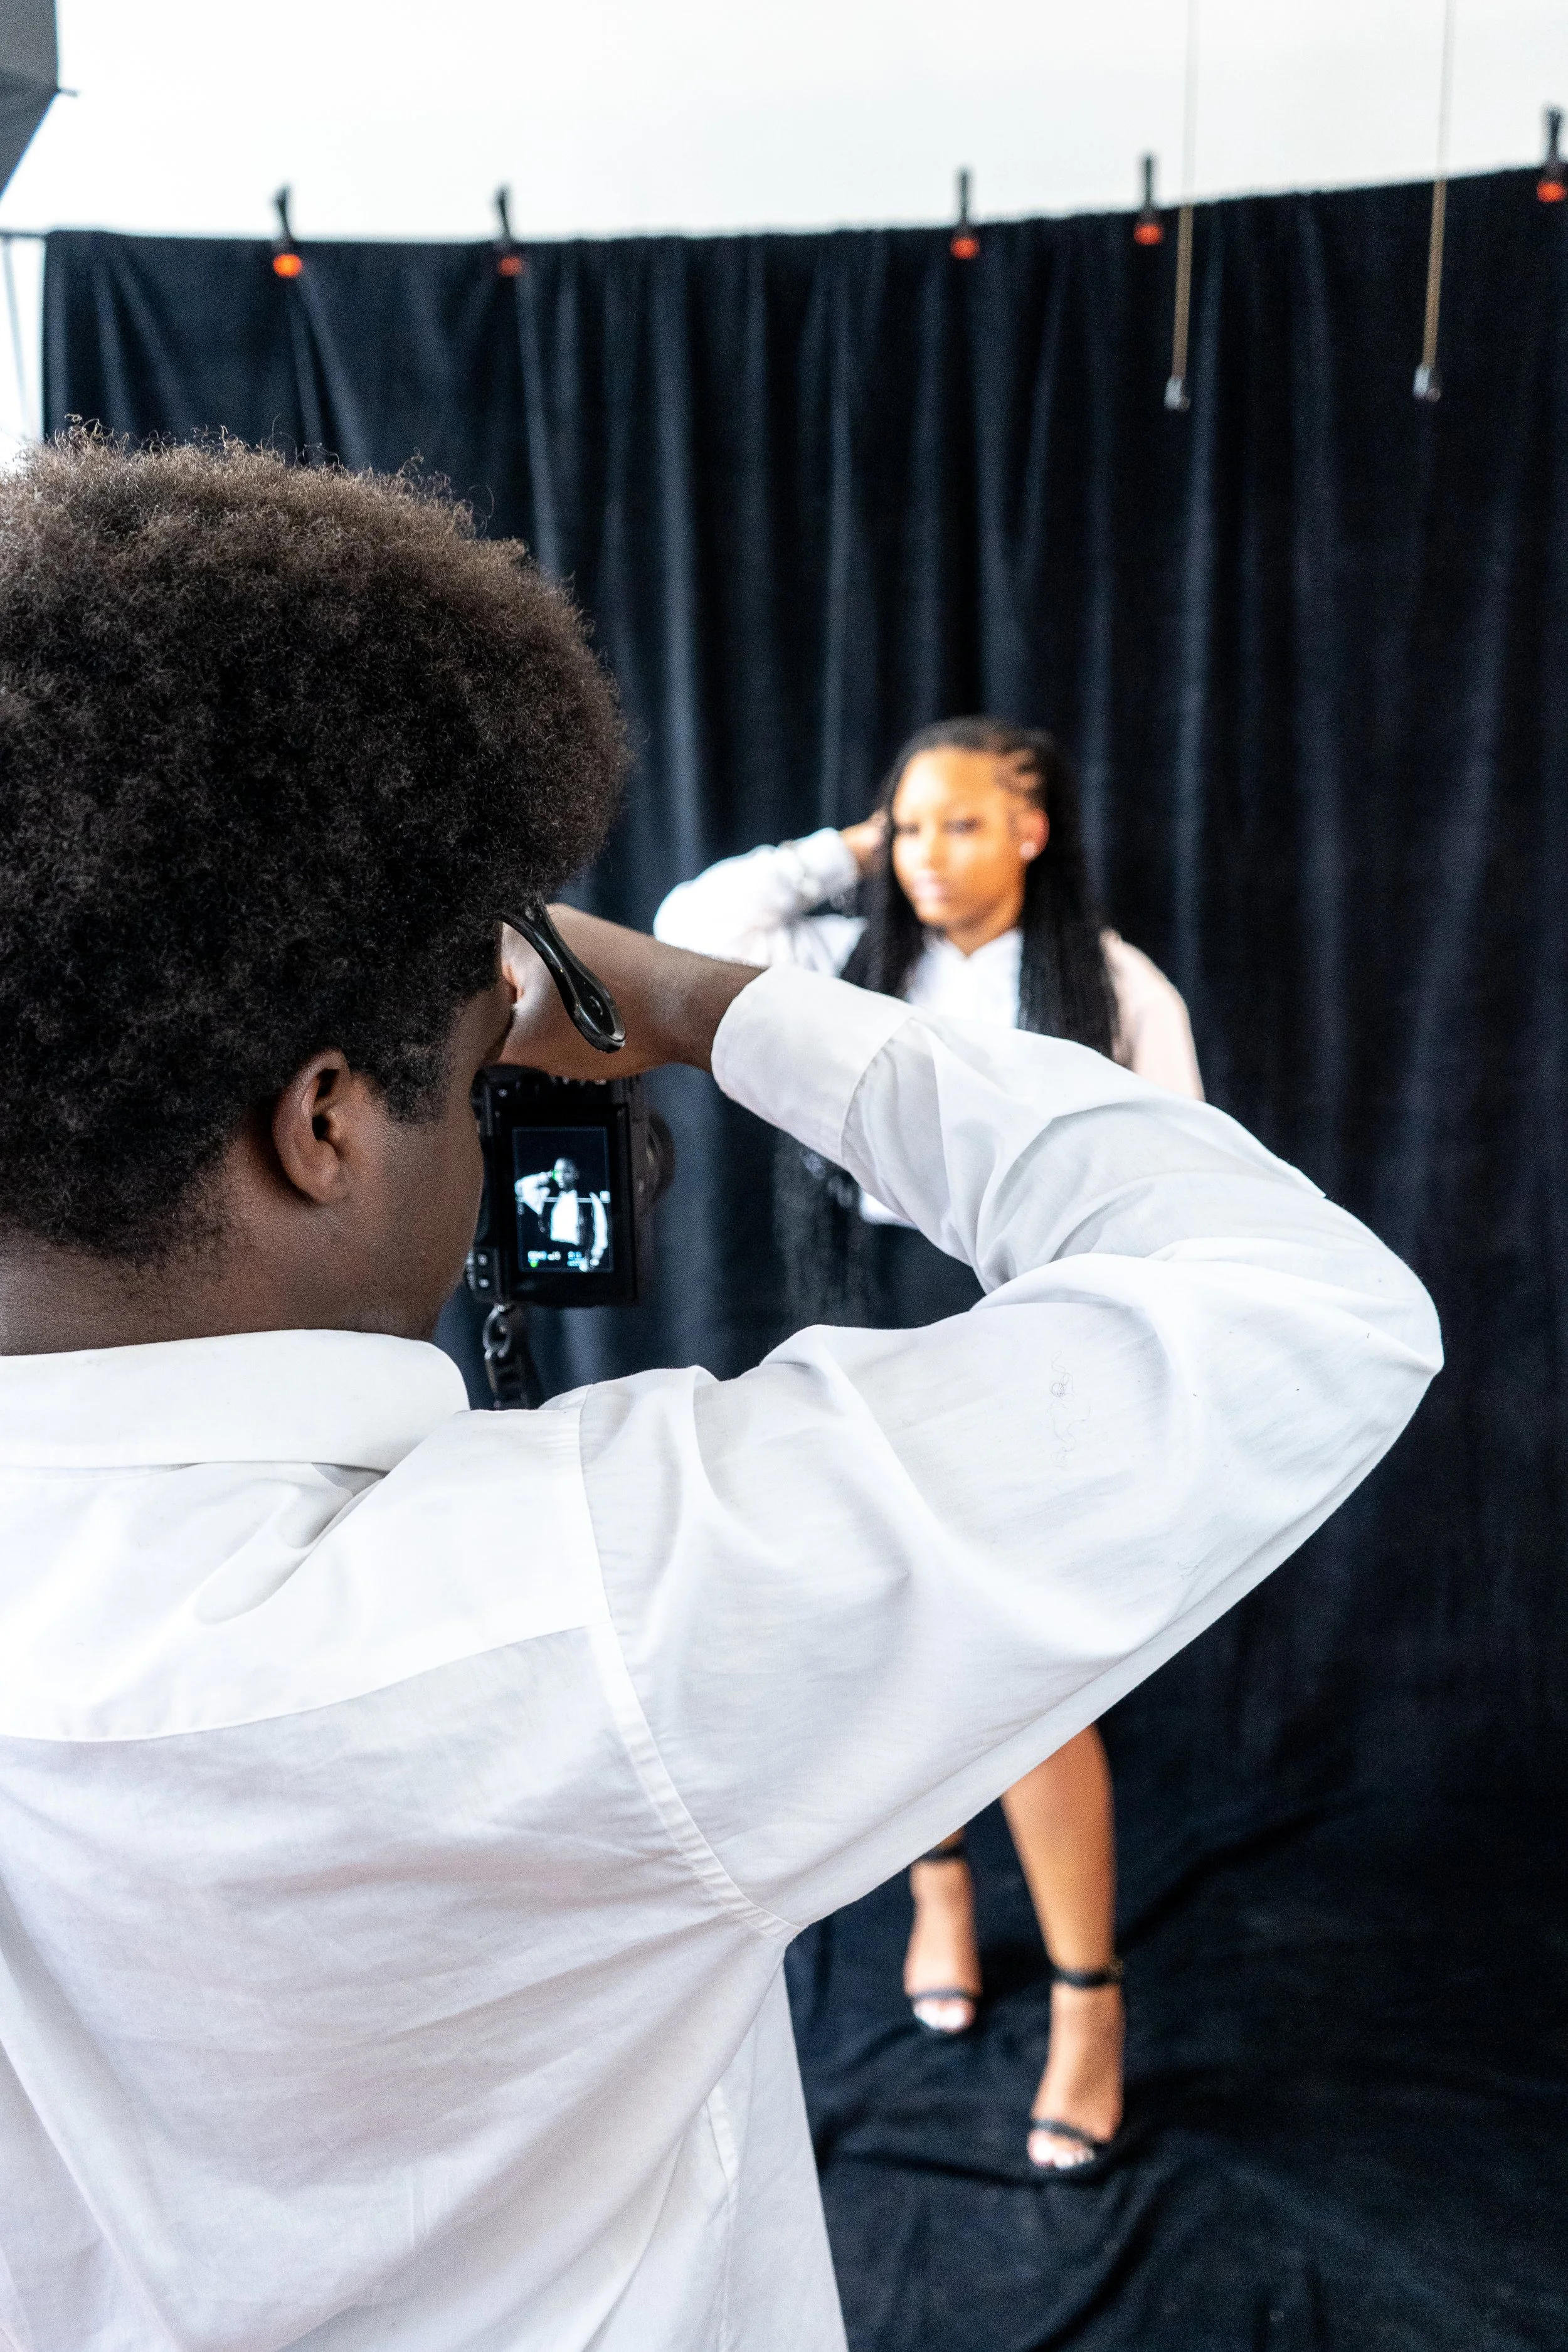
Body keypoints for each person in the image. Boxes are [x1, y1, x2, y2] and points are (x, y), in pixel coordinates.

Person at [0, 434, 1440, 2352]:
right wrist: (703, 1004)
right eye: (459, 1064)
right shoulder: (595, 1602)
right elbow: (1296, 1301)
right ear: (327, 1120)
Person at [654, 721, 1202, 2168]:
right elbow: (692, 925)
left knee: (1025, 1672)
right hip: (874, 1312)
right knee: (887, 1639)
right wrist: (849, 847)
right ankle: (938, 1892)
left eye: (958, 826)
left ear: (1031, 831)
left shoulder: (1111, 982)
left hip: (1044, 1326)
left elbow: (1181, 1171)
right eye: (905, 830)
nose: (923, 856)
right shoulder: (854, 959)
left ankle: (1088, 2000)